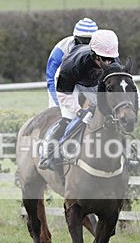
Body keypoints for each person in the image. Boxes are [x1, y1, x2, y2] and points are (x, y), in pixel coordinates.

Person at [38, 29, 120, 170]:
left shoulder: (114, 61)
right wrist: (79, 112)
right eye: (103, 59)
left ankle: (128, 153)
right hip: (70, 83)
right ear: (94, 54)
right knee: (68, 117)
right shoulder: (73, 64)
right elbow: (64, 94)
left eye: (110, 59)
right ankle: (47, 153)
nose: (108, 63)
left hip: (93, 83)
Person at [46, 17, 98, 107]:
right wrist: (58, 104)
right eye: (82, 41)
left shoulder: (101, 48)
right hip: (65, 81)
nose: (85, 47)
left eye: (89, 42)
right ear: (75, 38)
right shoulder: (61, 49)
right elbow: (51, 78)